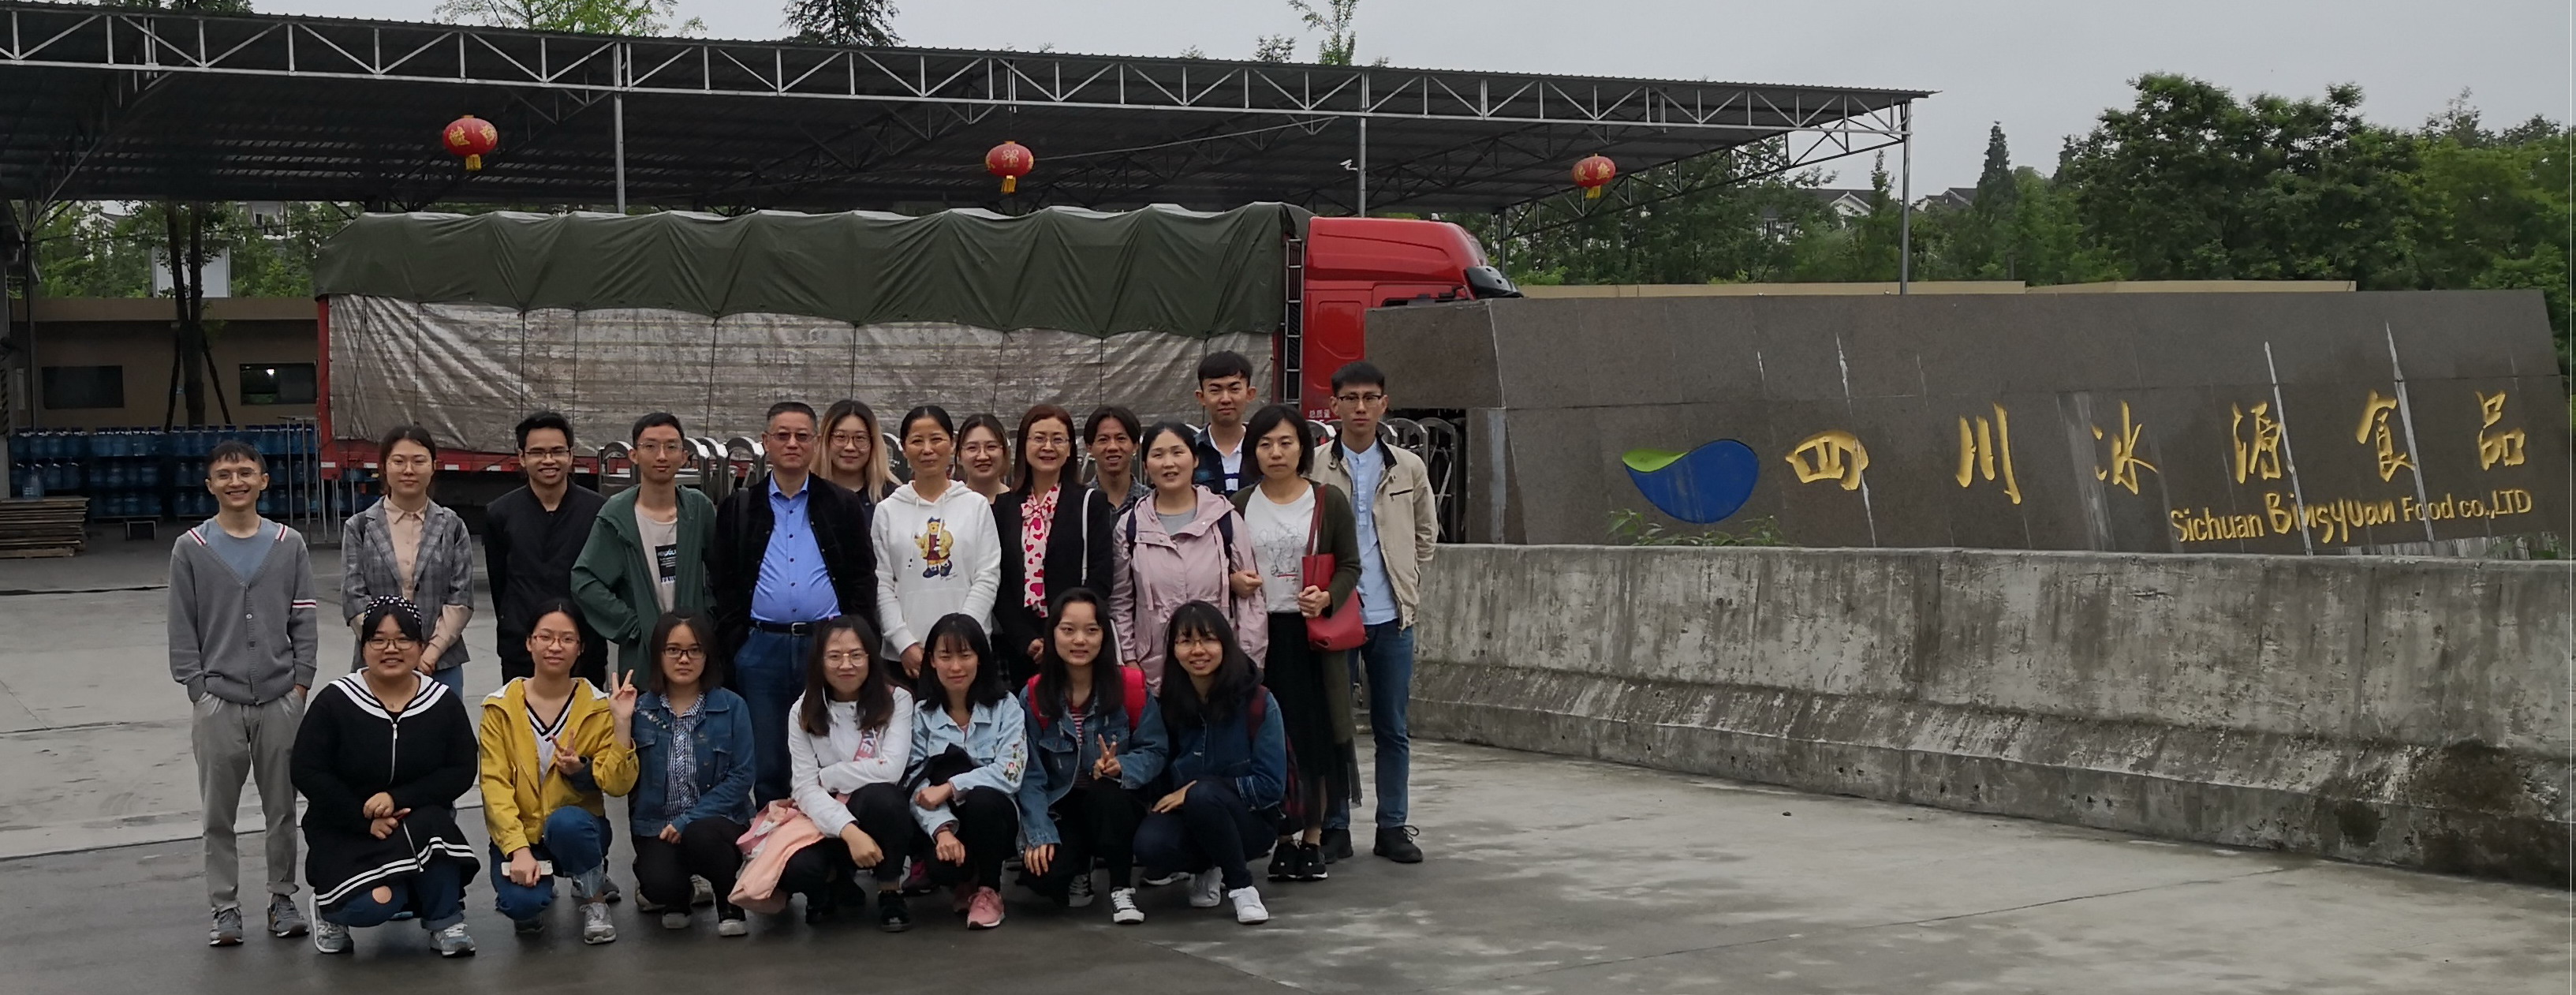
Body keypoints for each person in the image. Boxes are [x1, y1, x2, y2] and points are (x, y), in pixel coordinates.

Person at [170, 439, 317, 947]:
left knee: (283, 808)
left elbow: (304, 617)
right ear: (210, 485)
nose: (236, 481)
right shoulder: (191, 548)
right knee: (218, 813)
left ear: (263, 481)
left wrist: (300, 683)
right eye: (225, 474)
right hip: (218, 700)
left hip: (280, 698)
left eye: (246, 472)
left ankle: (282, 898)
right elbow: (181, 625)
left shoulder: (288, 544)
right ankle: (225, 907)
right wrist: (197, 688)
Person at [711, 401, 877, 806]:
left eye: (802, 436)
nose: (792, 443)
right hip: (760, 648)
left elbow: (861, 576)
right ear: (765, 442)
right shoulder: (740, 506)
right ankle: (773, 839)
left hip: (825, 646)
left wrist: (856, 636)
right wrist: (738, 642)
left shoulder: (841, 504)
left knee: (828, 754)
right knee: (768, 762)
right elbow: (723, 580)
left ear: (816, 443)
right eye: (782, 435)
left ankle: (826, 839)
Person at [297, 597, 480, 957]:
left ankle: (445, 921)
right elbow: (307, 770)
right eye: (378, 640)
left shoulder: (441, 702)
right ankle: (329, 910)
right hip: (347, 830)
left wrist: (399, 798)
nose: (391, 649)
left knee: (437, 832)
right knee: (375, 904)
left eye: (403, 640)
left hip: (415, 823)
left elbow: (461, 770)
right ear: (364, 647)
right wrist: (361, 816)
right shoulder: (336, 701)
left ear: (421, 646)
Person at [1312, 361, 1439, 864]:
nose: (1361, 408)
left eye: (1370, 398)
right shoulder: (1316, 466)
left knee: (1392, 728)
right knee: (1335, 726)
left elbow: (1426, 532)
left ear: (1384, 403)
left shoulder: (1408, 466)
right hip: (1336, 614)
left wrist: (1408, 577)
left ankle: (1392, 826)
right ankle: (1335, 826)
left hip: (1391, 615)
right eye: (1351, 398)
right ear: (1335, 405)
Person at [1230, 404, 1361, 882]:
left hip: (1312, 638)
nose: (1276, 452)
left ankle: (1313, 839)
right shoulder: (1240, 504)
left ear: (1303, 448)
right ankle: (1282, 839)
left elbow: (1351, 565)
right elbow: (1224, 564)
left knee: (1315, 739)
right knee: (1269, 739)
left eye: (1286, 442)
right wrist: (1235, 581)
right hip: (1260, 636)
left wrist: (1327, 596)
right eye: (1265, 444)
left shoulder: (1327, 500)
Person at [477, 599, 639, 944]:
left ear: (580, 648)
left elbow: (618, 785)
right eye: (545, 637)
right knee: (521, 906)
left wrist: (622, 724)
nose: (555, 646)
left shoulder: (598, 706)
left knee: (566, 823)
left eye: (567, 639)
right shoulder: (500, 707)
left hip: (576, 829)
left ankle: (594, 898)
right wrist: (518, 850)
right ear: (529, 642)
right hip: (524, 834)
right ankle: (537, 889)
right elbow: (494, 786)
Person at [1013, 588, 1167, 924]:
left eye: (1091, 630)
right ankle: (1078, 866)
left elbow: (1155, 749)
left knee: (1107, 797)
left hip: (1116, 801)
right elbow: (1030, 774)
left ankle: (1121, 888)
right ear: (1052, 634)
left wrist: (1122, 766)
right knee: (1043, 876)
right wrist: (1039, 834)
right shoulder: (1034, 694)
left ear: (1104, 636)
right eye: (1068, 630)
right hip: (1062, 804)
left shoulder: (1130, 686)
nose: (1079, 640)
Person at [1133, 600, 1284, 926]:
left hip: (1249, 822)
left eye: (1208, 640)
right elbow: (1157, 767)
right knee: (1150, 844)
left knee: (1202, 795)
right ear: (1173, 650)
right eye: (1186, 641)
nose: (1198, 650)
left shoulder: (1258, 701)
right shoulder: (1167, 704)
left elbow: (1271, 786)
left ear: (1225, 644)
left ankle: (1242, 887)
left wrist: (1197, 789)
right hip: (1191, 821)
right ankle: (1208, 866)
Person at [781, 615, 918, 931]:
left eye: (856, 655)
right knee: (797, 868)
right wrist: (849, 831)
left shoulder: (896, 699)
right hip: (824, 815)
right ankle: (832, 884)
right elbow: (803, 788)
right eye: (834, 656)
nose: (846, 665)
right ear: (819, 661)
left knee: (885, 798)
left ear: (871, 656)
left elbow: (891, 769)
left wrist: (827, 777)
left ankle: (890, 889)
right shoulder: (802, 710)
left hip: (874, 808)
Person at [622, 612, 753, 936]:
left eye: (695, 650)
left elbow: (742, 776)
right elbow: (618, 781)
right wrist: (621, 724)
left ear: (708, 656)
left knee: (701, 835)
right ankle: (678, 897)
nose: (684, 659)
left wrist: (687, 820)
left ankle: (728, 898)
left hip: (717, 824)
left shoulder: (732, 706)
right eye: (673, 650)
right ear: (658, 655)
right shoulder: (639, 709)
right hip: (658, 826)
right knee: (657, 884)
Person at [1111, 421, 1266, 693]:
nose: (1168, 463)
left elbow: (1250, 601)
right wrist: (1130, 660)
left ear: (1194, 460)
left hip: (1220, 666)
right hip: (1154, 672)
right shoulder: (1131, 526)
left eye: (1177, 452)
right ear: (1145, 466)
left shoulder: (1224, 519)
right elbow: (1121, 602)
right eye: (1158, 455)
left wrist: (1247, 662)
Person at [905, 614, 1025, 930]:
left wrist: (950, 787)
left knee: (983, 799)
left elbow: (1010, 772)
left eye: (965, 655)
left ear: (980, 658)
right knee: (942, 866)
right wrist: (941, 829)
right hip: (948, 820)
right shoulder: (922, 714)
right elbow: (914, 781)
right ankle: (962, 882)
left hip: (996, 817)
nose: (956, 667)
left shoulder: (1006, 706)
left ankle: (989, 890)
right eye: (945, 656)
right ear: (932, 661)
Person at [573, 413, 716, 676]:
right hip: (643, 656)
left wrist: (706, 617)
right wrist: (633, 626)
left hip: (695, 652)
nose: (661, 456)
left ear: (684, 456)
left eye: (671, 447)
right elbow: (585, 581)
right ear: (634, 455)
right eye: (650, 446)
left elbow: (723, 571)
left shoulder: (699, 510)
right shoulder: (617, 515)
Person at [872, 406, 1002, 683]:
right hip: (907, 659)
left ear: (952, 444)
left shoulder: (976, 506)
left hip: (968, 654)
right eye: (917, 441)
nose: (927, 449)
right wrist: (904, 643)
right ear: (903, 448)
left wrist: (961, 640)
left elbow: (987, 576)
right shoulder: (887, 510)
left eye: (937, 439)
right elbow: (882, 583)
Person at [342, 425, 474, 693]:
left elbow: (460, 597)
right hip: (378, 666)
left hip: (440, 665)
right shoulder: (360, 527)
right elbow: (354, 597)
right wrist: (389, 648)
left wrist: (430, 653)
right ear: (383, 467)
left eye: (419, 461)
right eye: (399, 461)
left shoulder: (452, 526)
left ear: (434, 466)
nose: (409, 470)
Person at [993, 404, 1115, 685]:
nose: (1048, 447)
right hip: (1023, 648)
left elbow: (1101, 576)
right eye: (1039, 438)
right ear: (1024, 446)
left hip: (1077, 641)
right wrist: (1026, 639)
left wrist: (1063, 634)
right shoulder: (1004, 507)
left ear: (1070, 448)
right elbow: (999, 581)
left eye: (1058, 439)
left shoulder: (1090, 503)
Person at [485, 411, 610, 684]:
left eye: (557, 451)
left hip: (584, 650)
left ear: (571, 455)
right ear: (522, 457)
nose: (549, 460)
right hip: (521, 650)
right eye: (538, 453)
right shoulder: (500, 513)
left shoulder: (598, 511)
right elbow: (500, 585)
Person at [1189, 350, 1258, 496]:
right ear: (1201, 397)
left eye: (1234, 389)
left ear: (1250, 394)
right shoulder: (1189, 452)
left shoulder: (1264, 449)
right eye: (1215, 390)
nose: (1225, 399)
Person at [820, 398, 898, 505]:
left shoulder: (893, 499)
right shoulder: (805, 493)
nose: (850, 447)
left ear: (873, 442)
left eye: (860, 438)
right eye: (840, 437)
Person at [1084, 405, 1150, 513]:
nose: (1112, 447)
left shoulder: (1152, 502)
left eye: (1121, 439)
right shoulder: (1078, 502)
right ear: (1089, 447)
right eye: (1103, 440)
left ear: (1135, 446)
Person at [958, 413, 1012, 500]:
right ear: (959, 455)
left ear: (1004, 452)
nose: (982, 457)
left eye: (991, 447)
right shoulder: (950, 504)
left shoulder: (1023, 504)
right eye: (972, 448)